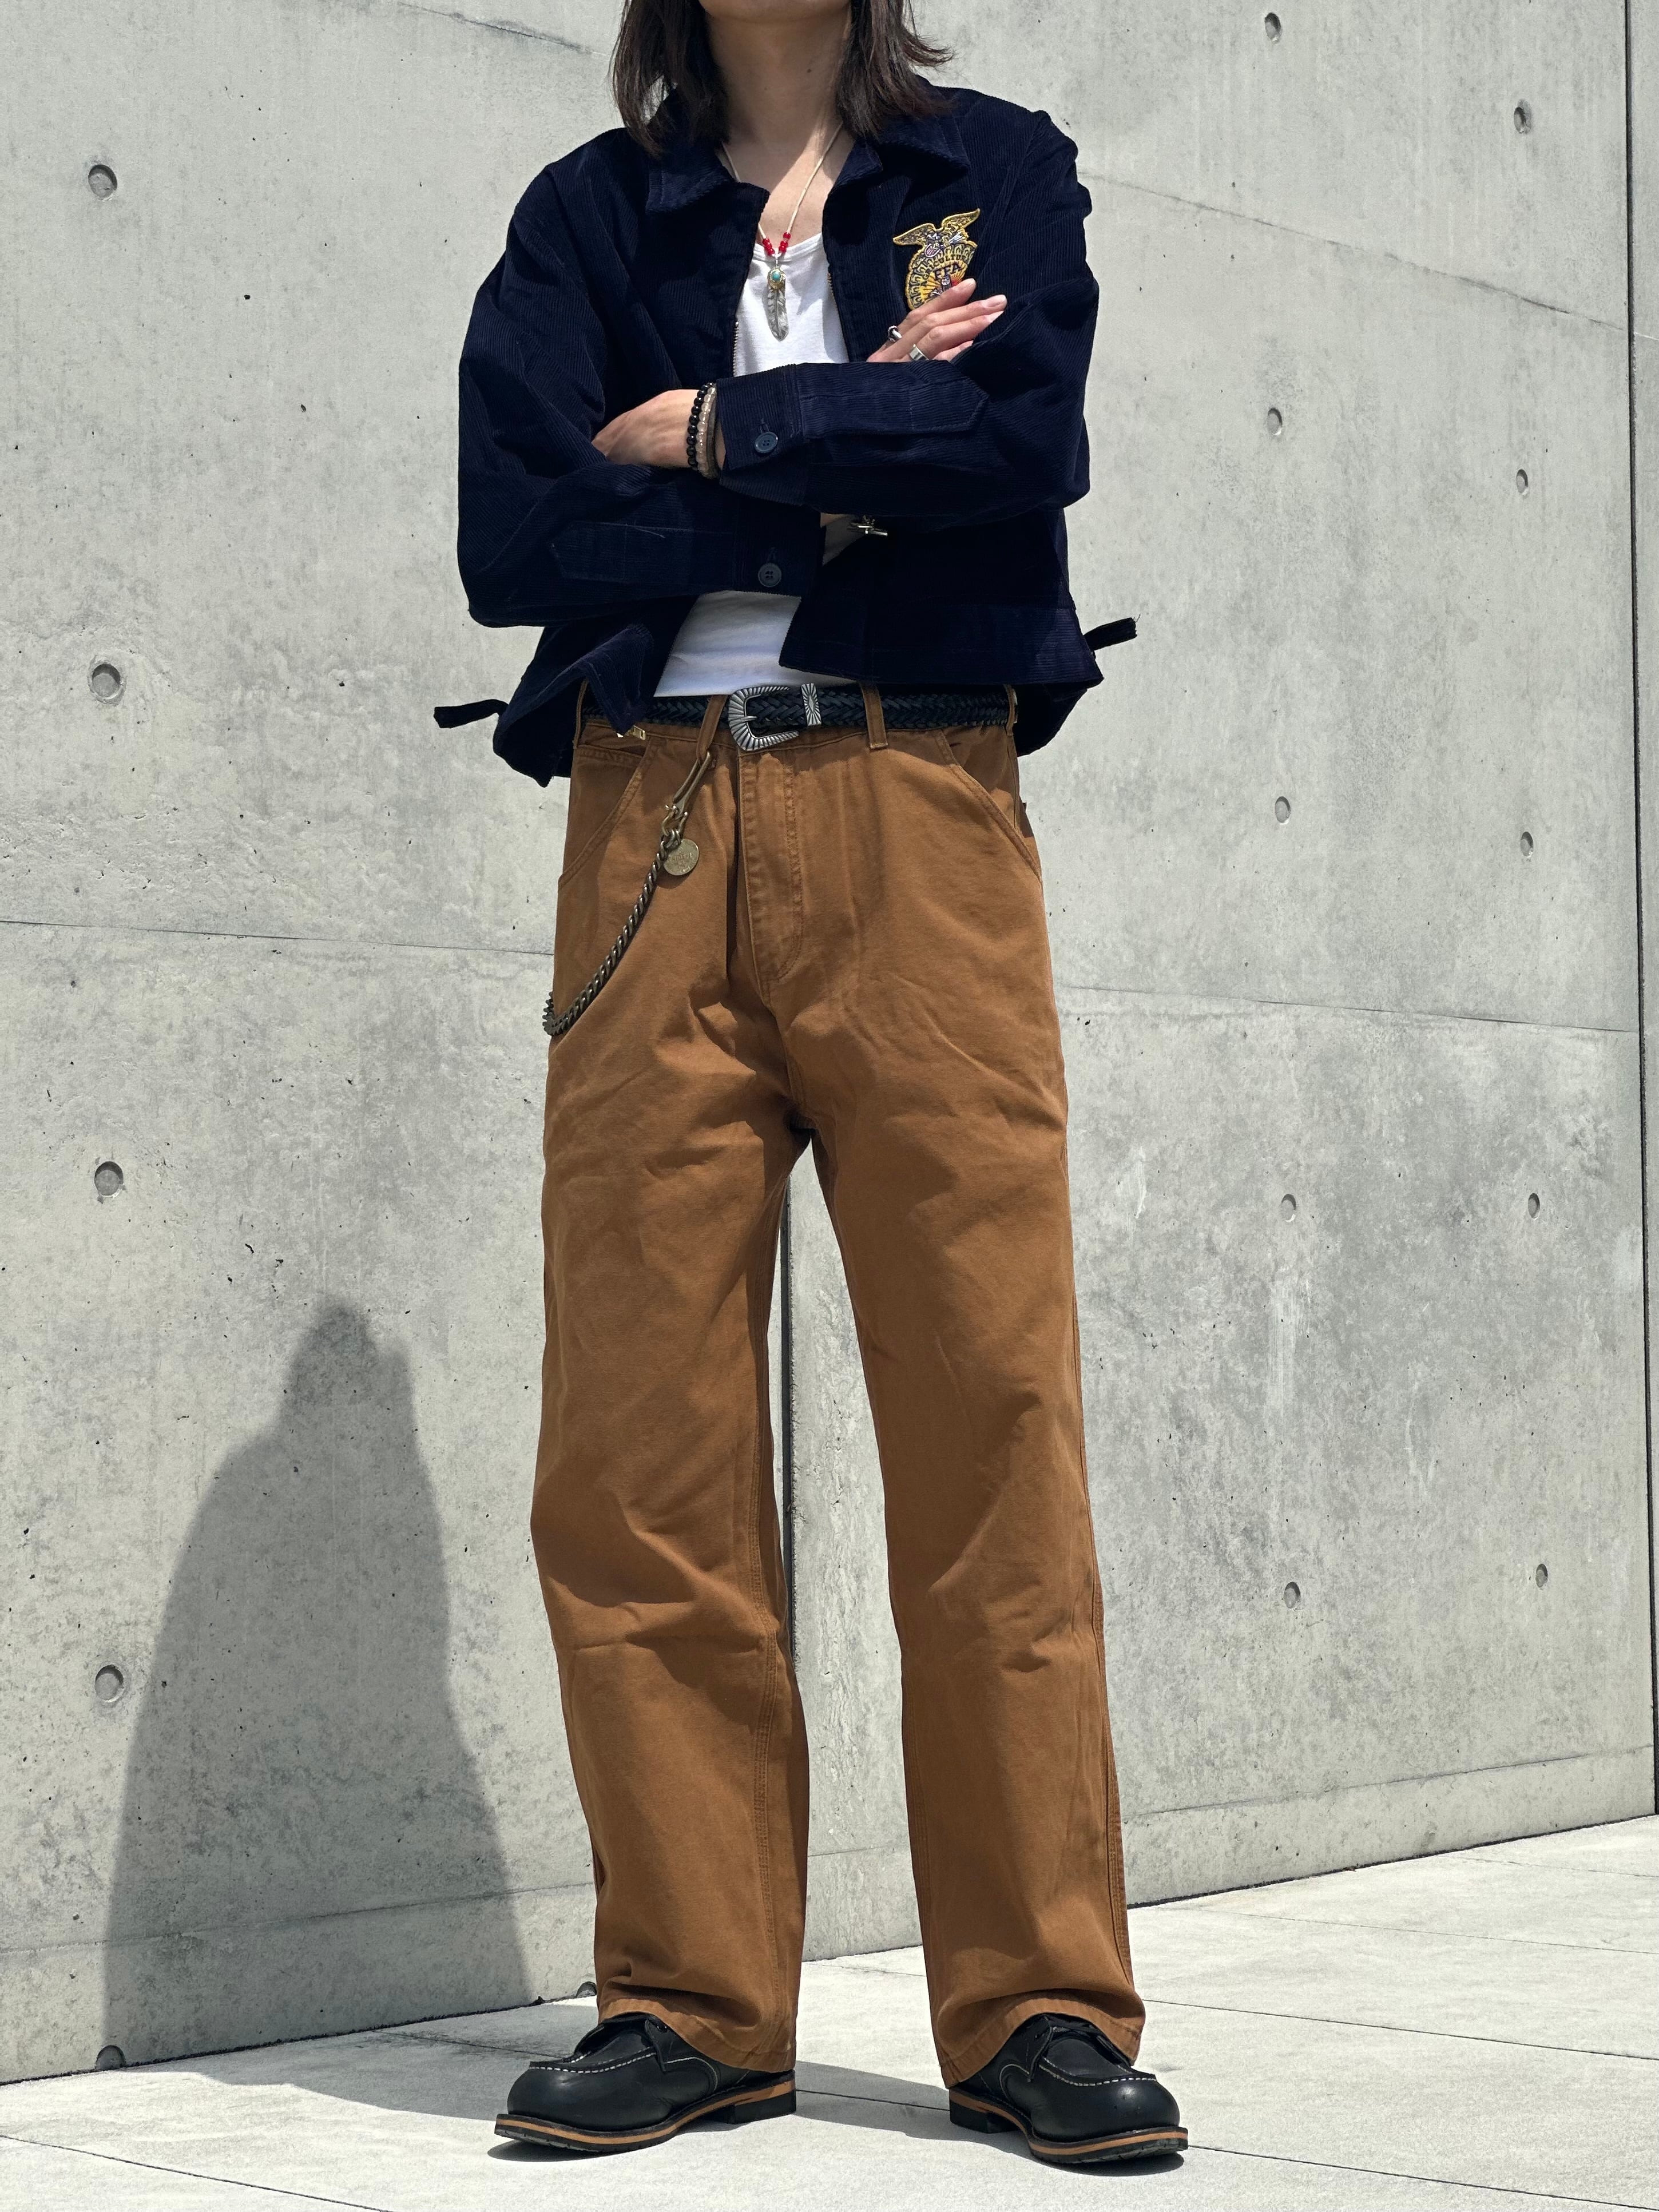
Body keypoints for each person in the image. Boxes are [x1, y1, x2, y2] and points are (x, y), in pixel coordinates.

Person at [447, 0, 1183, 2169]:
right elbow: (514, 531)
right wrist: (852, 449)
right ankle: (689, 2001)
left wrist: (708, 433)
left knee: (988, 1414)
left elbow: (1016, 442)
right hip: (649, 820)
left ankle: (1038, 2003)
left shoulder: (987, 173)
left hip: (916, 811)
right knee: (636, 1444)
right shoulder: (591, 217)